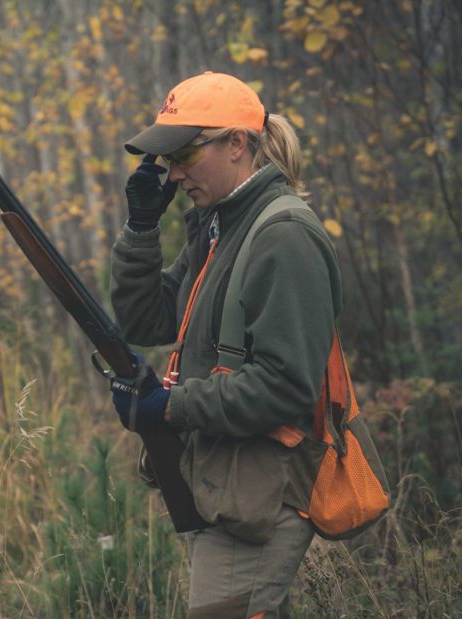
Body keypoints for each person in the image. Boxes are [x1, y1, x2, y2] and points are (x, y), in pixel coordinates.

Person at [109, 72, 342, 618]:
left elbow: (287, 386)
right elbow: (147, 318)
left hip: (261, 495)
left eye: (185, 154)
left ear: (237, 143)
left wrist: (172, 405)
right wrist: (142, 227)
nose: (175, 173)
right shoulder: (220, 227)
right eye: (169, 159)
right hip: (227, 484)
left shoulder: (283, 235)